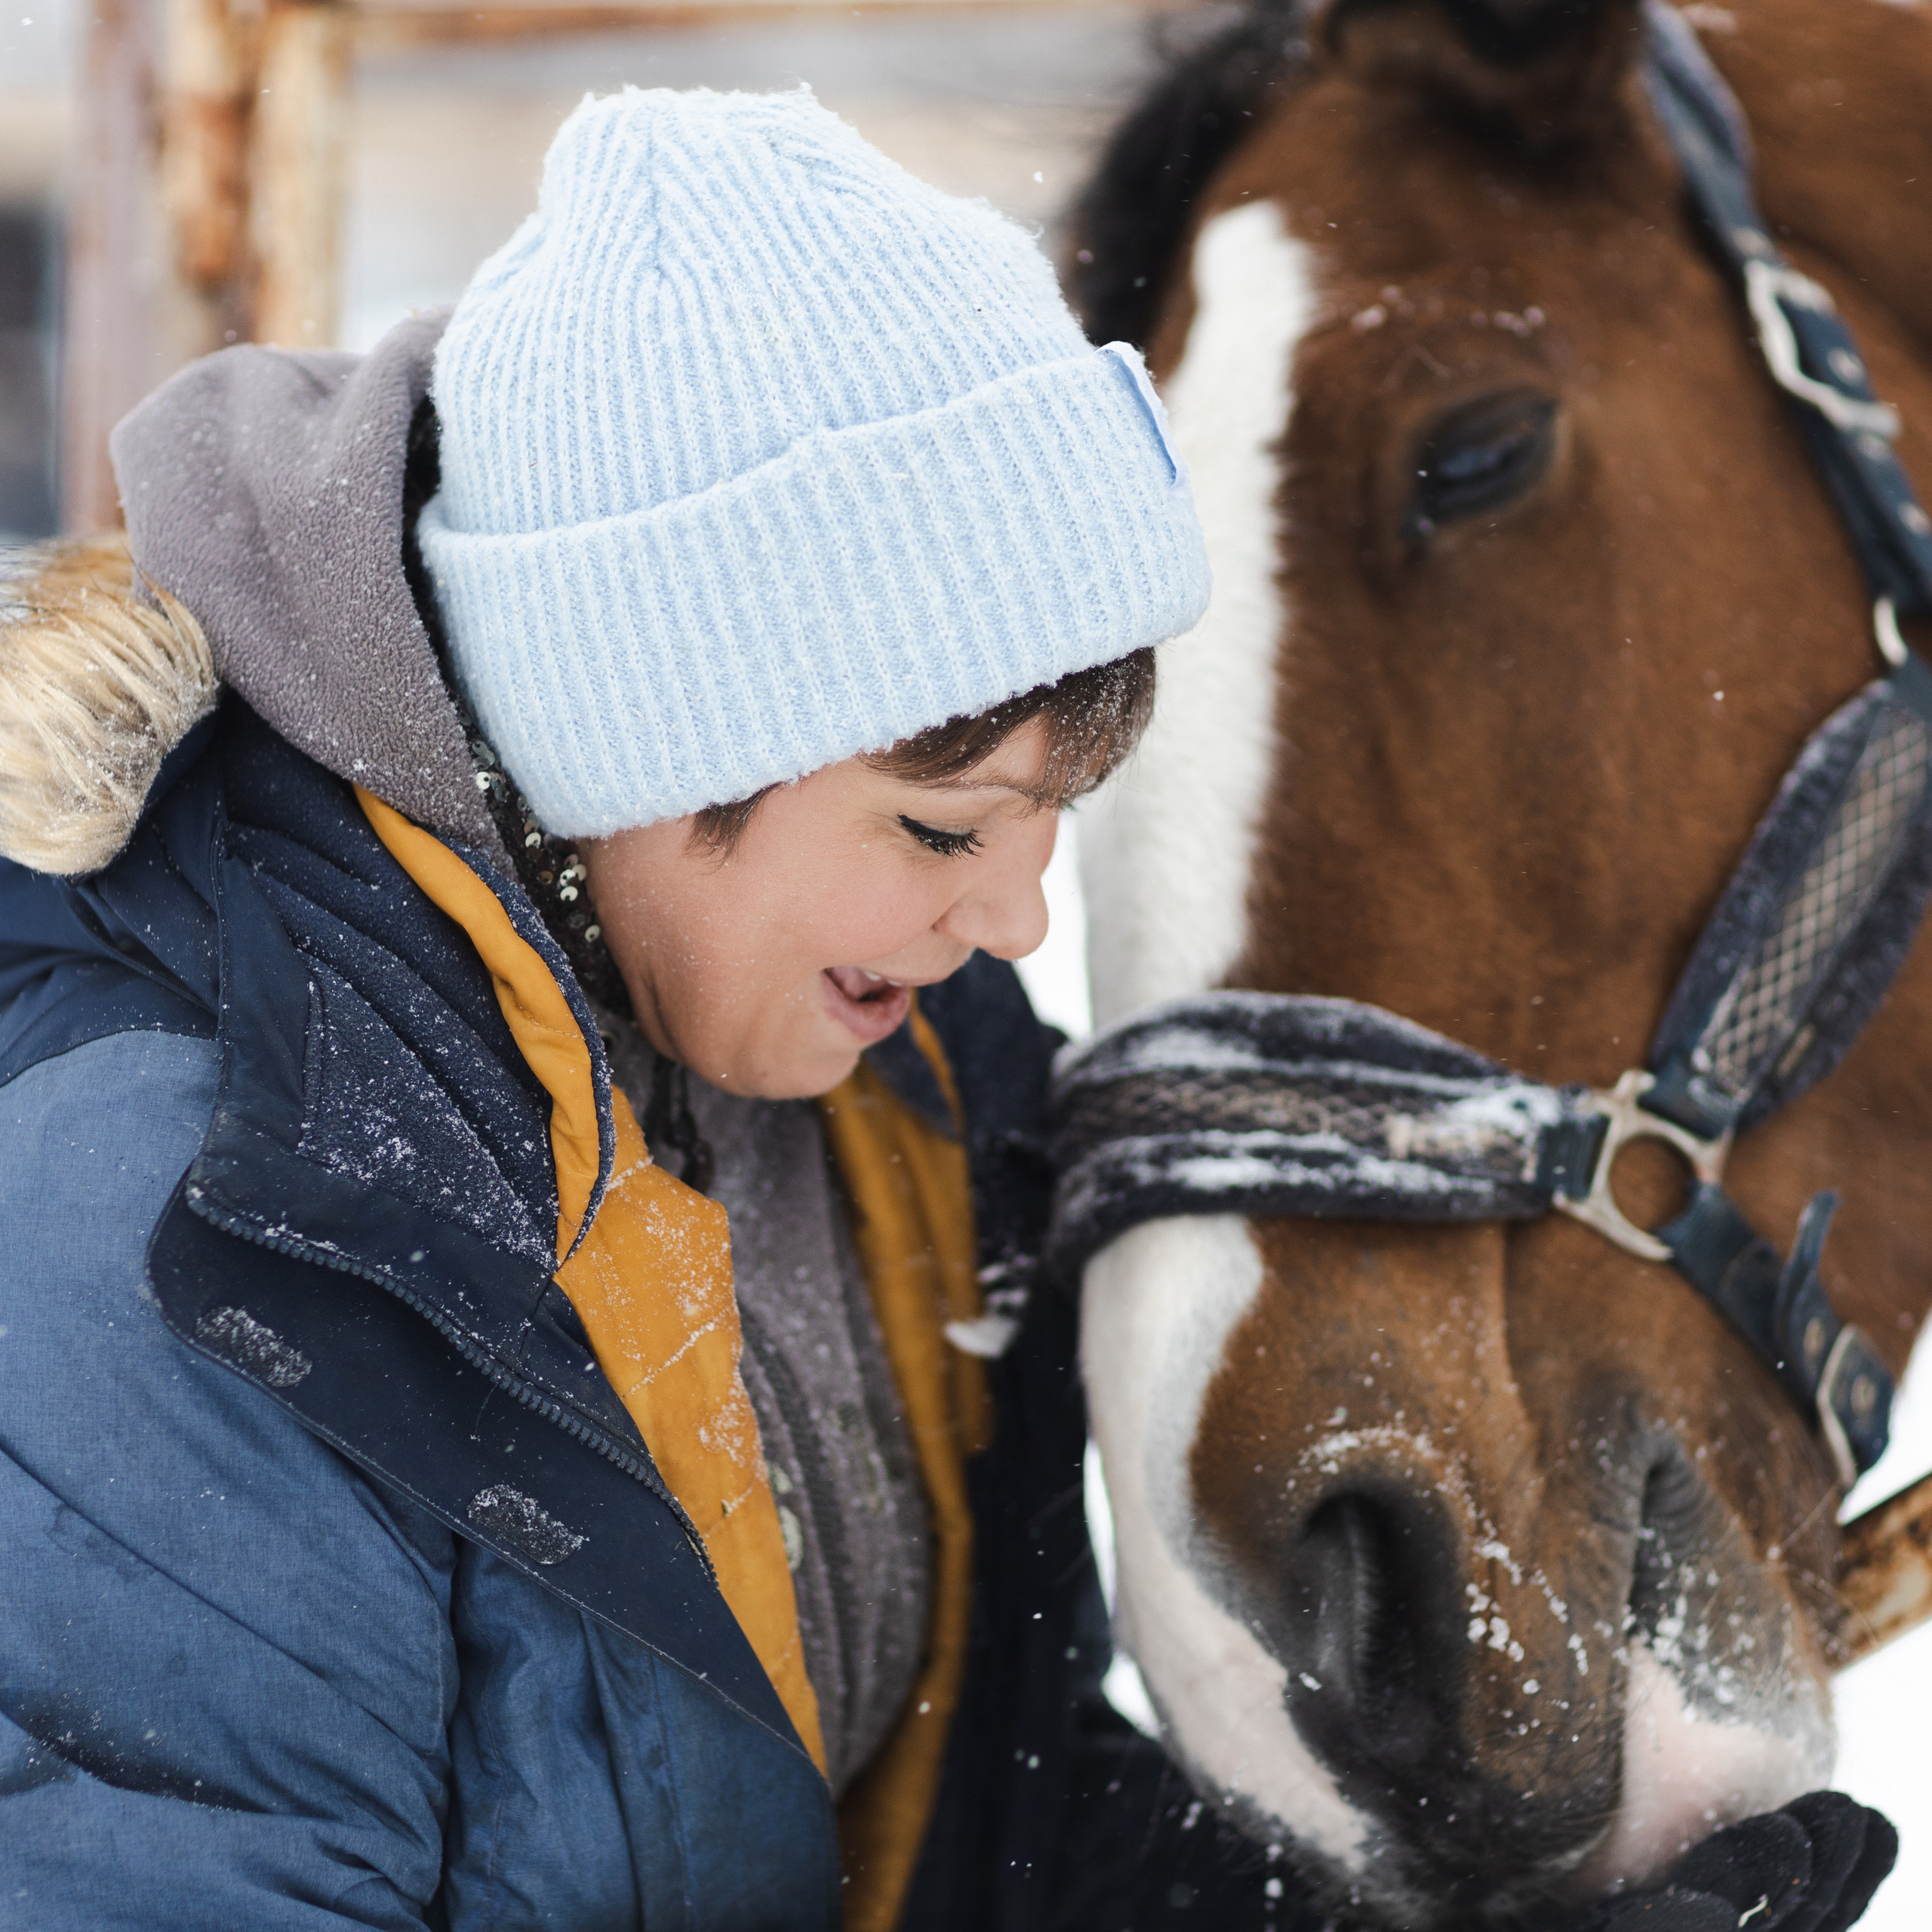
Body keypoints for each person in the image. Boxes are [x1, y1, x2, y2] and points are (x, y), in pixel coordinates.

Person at [0, 83, 1897, 1932]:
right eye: (938, 824)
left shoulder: (875, 1096)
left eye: (1050, 822)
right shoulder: (190, 1218)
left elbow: (969, 1819)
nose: (1013, 921)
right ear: (644, 740)